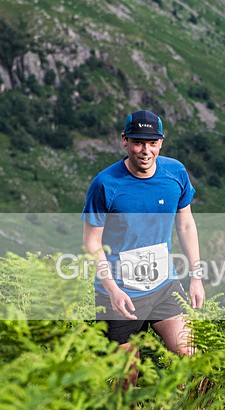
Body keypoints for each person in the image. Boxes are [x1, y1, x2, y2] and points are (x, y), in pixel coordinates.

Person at [82, 109, 205, 388]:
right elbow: (92, 242)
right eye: (138, 142)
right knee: (126, 376)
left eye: (152, 143)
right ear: (124, 141)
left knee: (192, 357)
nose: (145, 151)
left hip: (164, 285)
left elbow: (185, 225)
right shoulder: (105, 184)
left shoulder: (175, 173)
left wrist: (196, 277)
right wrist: (112, 289)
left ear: (161, 142)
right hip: (119, 294)